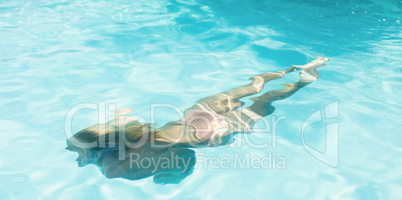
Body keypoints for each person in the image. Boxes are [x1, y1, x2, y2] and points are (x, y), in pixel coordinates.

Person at [66, 56, 328, 184]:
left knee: (264, 102)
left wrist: (176, 176)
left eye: (79, 154)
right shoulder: (130, 133)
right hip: (195, 115)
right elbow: (126, 116)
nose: (78, 163)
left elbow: (187, 158)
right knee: (252, 87)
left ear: (100, 148)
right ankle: (295, 68)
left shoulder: (117, 167)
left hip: (211, 134)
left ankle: (306, 79)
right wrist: (118, 117)